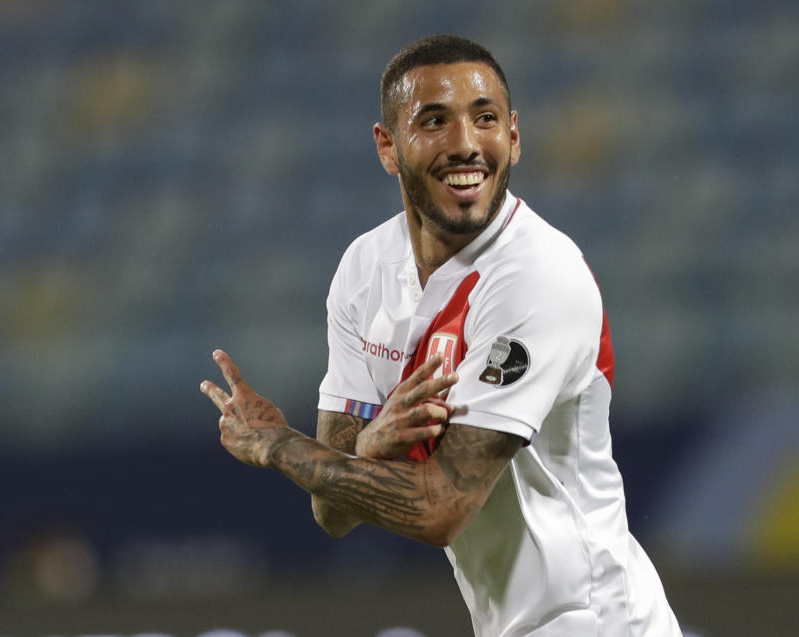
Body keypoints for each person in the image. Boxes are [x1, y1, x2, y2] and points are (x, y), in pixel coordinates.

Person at [201, 34, 682, 637]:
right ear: (388, 146)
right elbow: (331, 512)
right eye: (434, 121)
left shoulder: (537, 277)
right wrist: (372, 443)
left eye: (484, 119)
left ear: (513, 135)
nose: (465, 145)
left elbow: (439, 508)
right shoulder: (363, 269)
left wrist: (276, 445)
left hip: (598, 620)